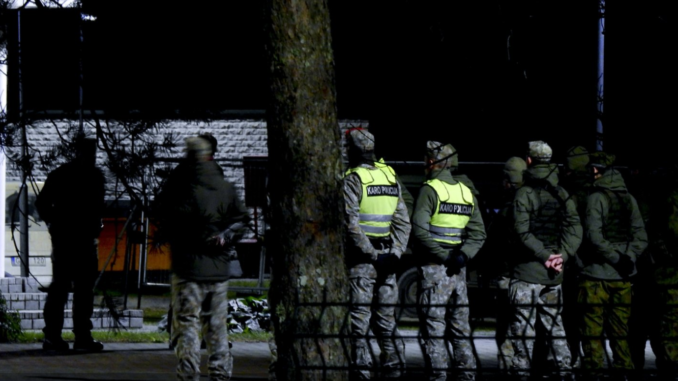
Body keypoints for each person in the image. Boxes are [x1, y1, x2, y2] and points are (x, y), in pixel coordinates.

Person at [154, 136, 248, 381]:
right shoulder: (225, 186)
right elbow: (241, 221)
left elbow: (169, 218)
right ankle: (220, 373)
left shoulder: (181, 186)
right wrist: (225, 237)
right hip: (218, 269)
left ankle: (188, 373)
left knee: (187, 324)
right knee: (217, 326)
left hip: (189, 269)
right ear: (210, 156)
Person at [412, 141, 486, 381]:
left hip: (435, 270)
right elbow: (479, 234)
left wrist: (445, 257)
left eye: (426, 159)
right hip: (459, 273)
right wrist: (463, 256)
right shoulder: (466, 192)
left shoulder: (430, 190)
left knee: (433, 330)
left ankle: (439, 378)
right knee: (461, 330)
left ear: (433, 162)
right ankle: (467, 377)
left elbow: (420, 231)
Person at [510, 140, 582, 380]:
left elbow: (522, 233)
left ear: (529, 161)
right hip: (554, 275)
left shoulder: (524, 193)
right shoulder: (562, 193)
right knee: (556, 326)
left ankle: (521, 374)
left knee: (523, 330)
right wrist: (563, 255)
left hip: (528, 273)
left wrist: (545, 256)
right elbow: (574, 228)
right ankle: (565, 372)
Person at [343, 128, 411, 380]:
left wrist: (373, 255)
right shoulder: (389, 175)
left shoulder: (353, 178)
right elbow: (403, 221)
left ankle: (362, 373)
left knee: (359, 322)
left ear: (352, 150)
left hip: (363, 261)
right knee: (386, 321)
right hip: (388, 260)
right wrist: (395, 253)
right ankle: (395, 370)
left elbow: (351, 224)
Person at [577, 152, 648, 381]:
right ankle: (624, 373)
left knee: (592, 333)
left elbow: (594, 237)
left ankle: (594, 375)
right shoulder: (629, 198)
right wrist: (628, 257)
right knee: (621, 333)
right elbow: (641, 236)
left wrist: (616, 257)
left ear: (597, 170)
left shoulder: (595, 198)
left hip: (597, 275)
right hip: (624, 277)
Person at [35, 137, 106, 352]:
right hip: (73, 238)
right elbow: (43, 203)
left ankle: (62, 337)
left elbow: (42, 203)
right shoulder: (91, 177)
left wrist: (53, 223)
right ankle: (71, 337)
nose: (91, 157)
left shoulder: (66, 175)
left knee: (72, 289)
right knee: (70, 289)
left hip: (72, 238)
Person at [484, 157, 526, 371]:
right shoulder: (533, 201)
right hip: (532, 277)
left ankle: (509, 368)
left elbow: (495, 243)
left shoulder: (510, 209)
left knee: (507, 329)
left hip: (509, 276)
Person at [559, 145, 592, 368]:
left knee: (569, 315)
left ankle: (571, 357)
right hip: (593, 264)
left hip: (572, 263)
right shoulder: (595, 190)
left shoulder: (567, 193)